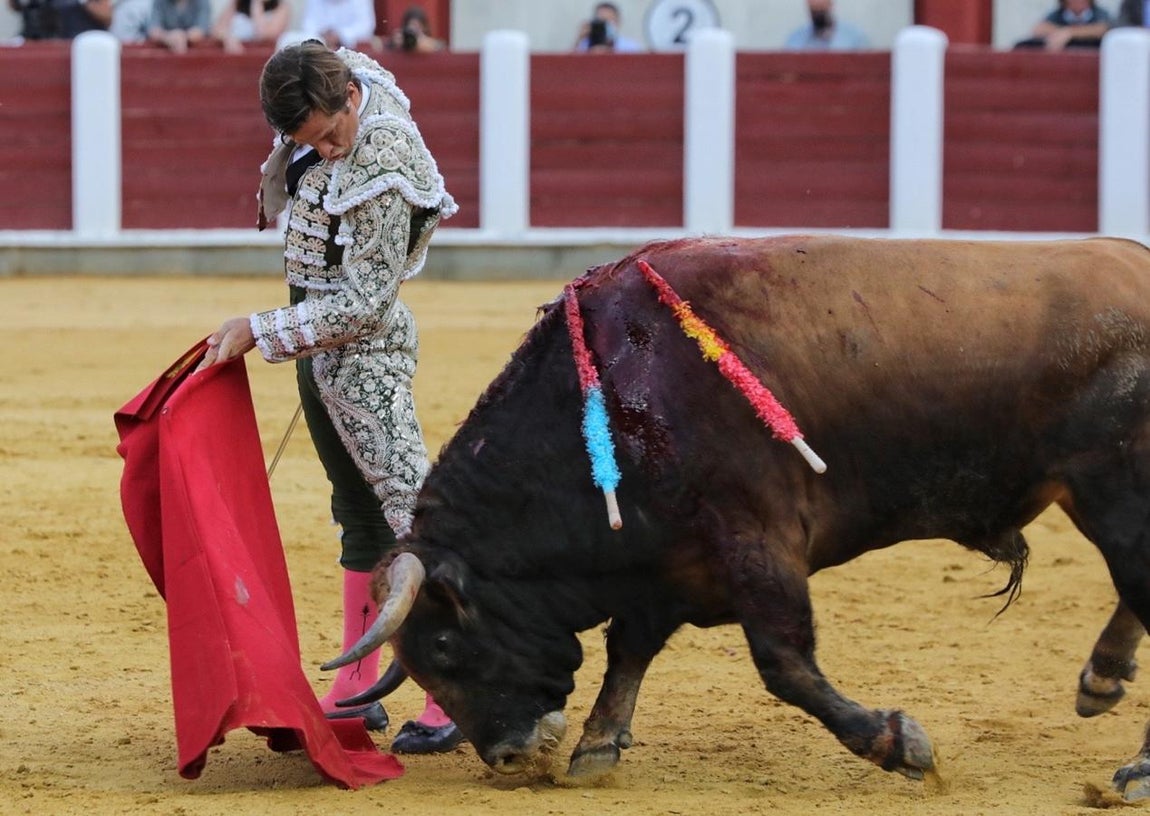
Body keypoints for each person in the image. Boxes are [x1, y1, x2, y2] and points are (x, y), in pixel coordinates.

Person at [197, 41, 463, 755]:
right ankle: (356, 687)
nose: (327, 149)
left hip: (363, 352)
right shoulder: (333, 81)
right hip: (320, 347)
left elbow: (368, 305)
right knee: (359, 513)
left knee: (416, 519)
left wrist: (262, 329)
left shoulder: (382, 154)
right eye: (308, 142)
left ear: (348, 98)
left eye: (329, 133)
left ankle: (451, 690)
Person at [1013, 0, 1113, 50]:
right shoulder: (1057, 14)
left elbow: (1104, 29)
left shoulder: (1100, 14)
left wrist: (1070, 33)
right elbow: (1039, 29)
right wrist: (1062, 33)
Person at [783, 0, 868, 50]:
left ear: (830, 3)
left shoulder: (854, 38)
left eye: (821, 11)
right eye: (814, 11)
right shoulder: (796, 39)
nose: (816, 3)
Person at [211, 0, 290, 53]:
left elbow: (264, 35)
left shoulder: (281, 7)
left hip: (261, 58)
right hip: (235, 54)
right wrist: (227, 38)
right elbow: (216, 30)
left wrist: (257, 4)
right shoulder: (238, 3)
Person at [8, 0, 110, 39]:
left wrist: (85, 2)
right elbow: (15, 6)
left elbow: (107, 17)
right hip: (41, 42)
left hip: (80, 42)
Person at [299, 0, 373, 49]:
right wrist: (323, 36)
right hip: (320, 45)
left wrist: (339, 35)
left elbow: (365, 27)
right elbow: (308, 25)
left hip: (351, 48)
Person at [573, 1, 643, 53]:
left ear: (618, 21)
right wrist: (580, 38)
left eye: (609, 20)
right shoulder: (585, 45)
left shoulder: (631, 47)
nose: (605, 24)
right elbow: (572, 63)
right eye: (601, 20)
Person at [146, 0, 211, 52]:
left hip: (195, 53)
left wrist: (183, 37)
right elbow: (153, 29)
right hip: (165, 52)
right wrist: (167, 37)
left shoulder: (202, 2)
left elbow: (201, 29)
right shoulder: (159, 2)